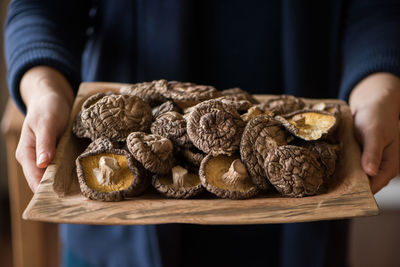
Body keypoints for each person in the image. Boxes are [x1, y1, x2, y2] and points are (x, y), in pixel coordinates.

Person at [4, 0, 400, 266]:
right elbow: (43, 7)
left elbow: (378, 10)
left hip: (295, 197)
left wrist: (379, 92)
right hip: (122, 222)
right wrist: (45, 89)